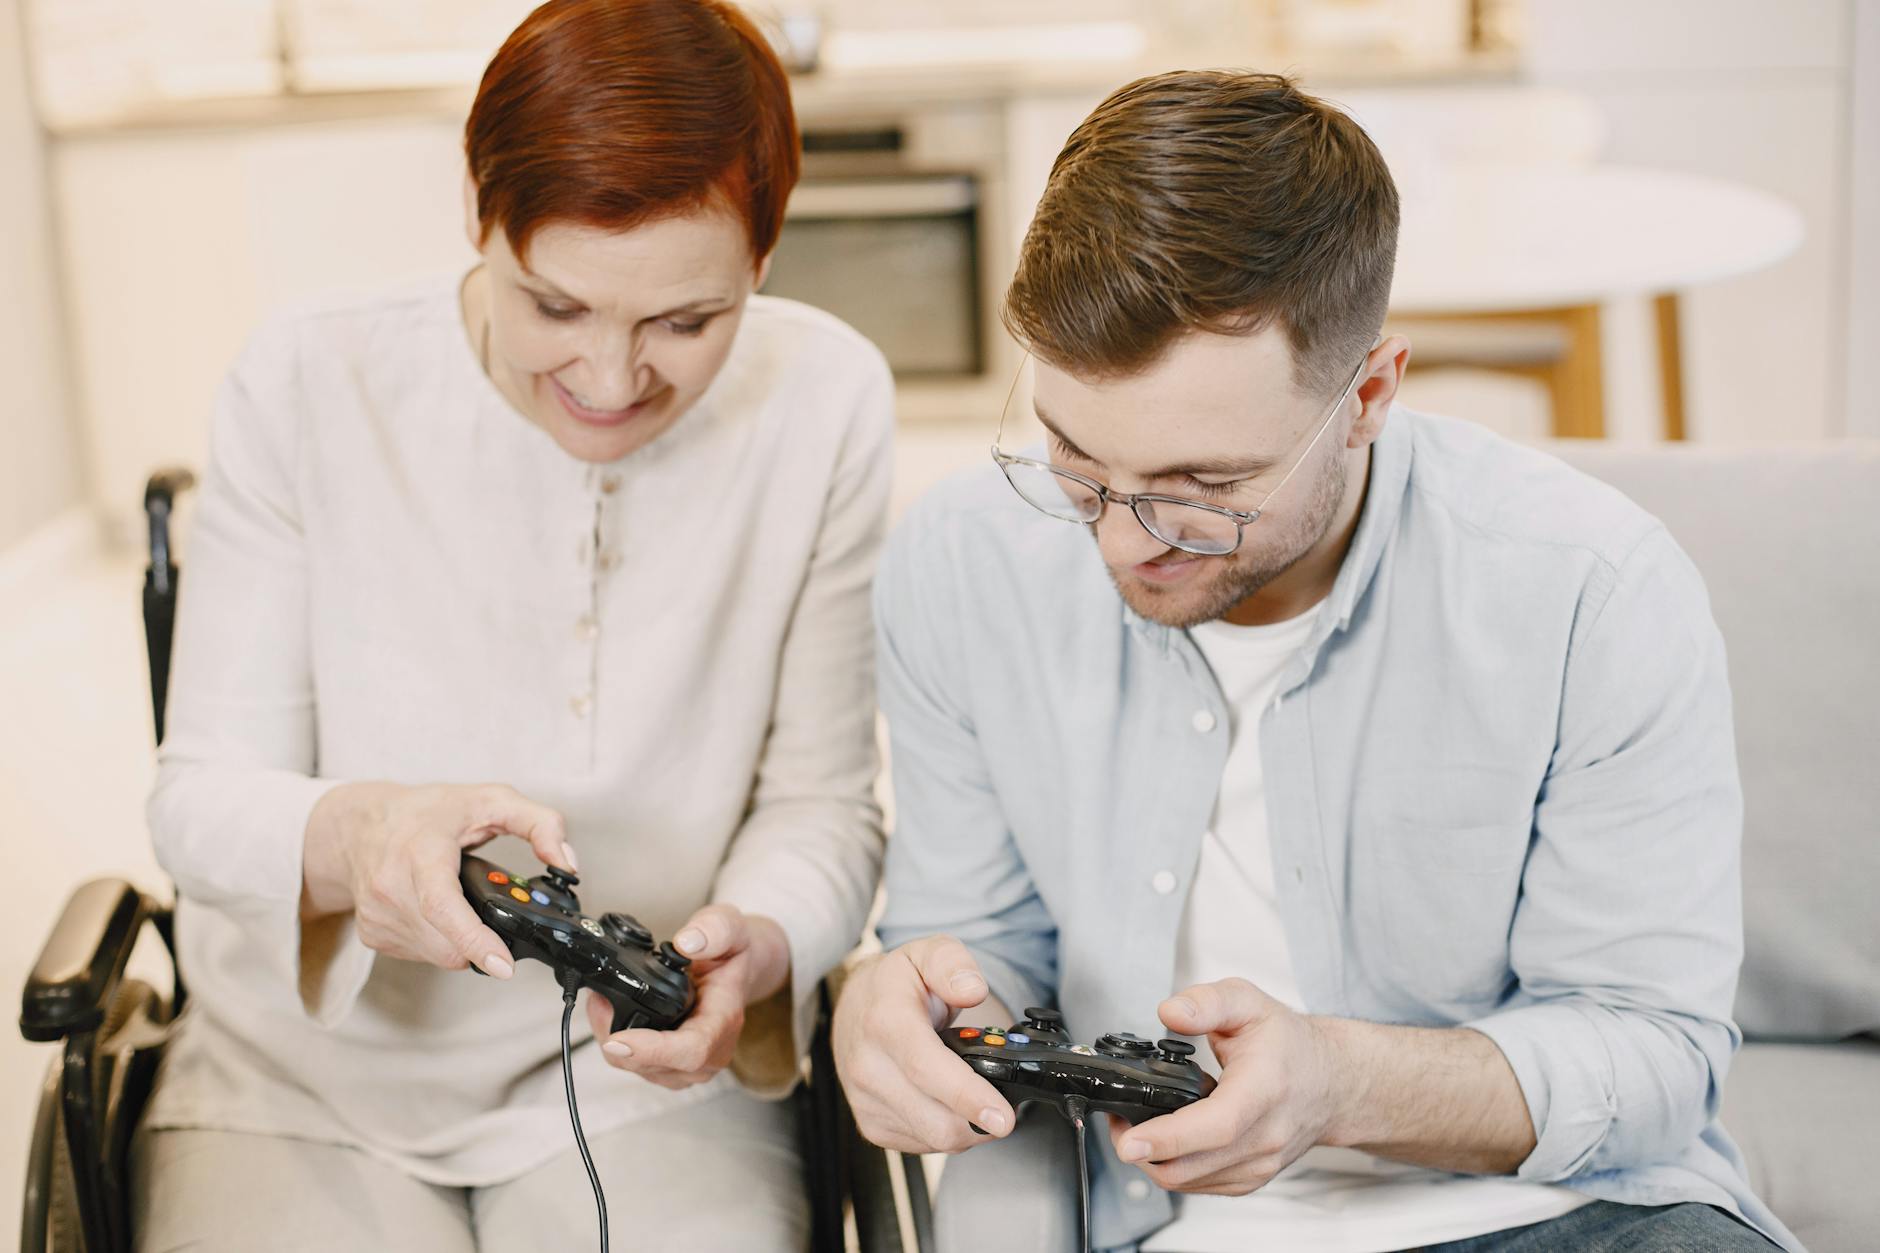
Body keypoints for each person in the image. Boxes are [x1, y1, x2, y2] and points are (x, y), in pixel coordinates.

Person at [833, 71, 1800, 1253]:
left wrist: (1337, 1081)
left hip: (1568, 1217)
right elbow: (978, 948)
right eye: (1075, 463)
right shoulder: (960, 565)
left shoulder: (1590, 591)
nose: (1123, 542)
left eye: (1204, 489)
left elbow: (1651, 1055)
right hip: (1163, 1224)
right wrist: (902, 1009)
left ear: (1368, 395)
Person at [134, 2, 891, 1249]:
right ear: (476, 216)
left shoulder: (825, 401)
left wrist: (757, 944)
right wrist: (360, 835)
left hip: (643, 1070)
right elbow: (197, 800)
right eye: (554, 305)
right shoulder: (307, 379)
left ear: (762, 258)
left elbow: (822, 806)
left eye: (685, 323)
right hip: (301, 1080)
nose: (609, 378)